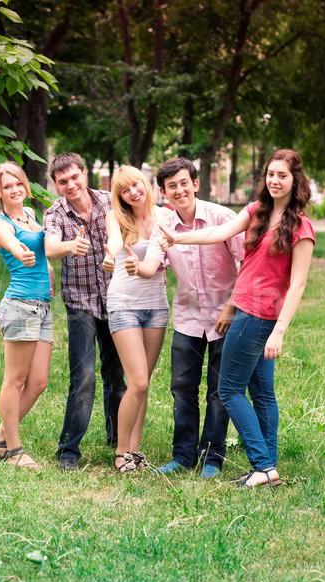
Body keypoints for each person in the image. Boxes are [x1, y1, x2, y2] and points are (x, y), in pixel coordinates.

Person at [159, 149, 315, 489]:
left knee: (229, 390)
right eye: (271, 174)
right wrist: (177, 237)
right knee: (262, 394)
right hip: (245, 308)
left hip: (260, 315)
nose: (275, 180)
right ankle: (268, 467)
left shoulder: (301, 227)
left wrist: (279, 332)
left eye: (282, 175)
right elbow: (217, 234)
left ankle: (261, 464)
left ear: (295, 181)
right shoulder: (255, 212)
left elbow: (298, 283)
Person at [125, 157, 245, 478]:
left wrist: (232, 306)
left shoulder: (223, 218)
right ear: (163, 193)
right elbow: (152, 261)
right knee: (182, 387)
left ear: (195, 184)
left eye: (183, 183)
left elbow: (247, 263)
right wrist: (136, 267)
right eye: (171, 187)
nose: (179, 191)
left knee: (219, 391)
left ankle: (212, 458)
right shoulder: (163, 226)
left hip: (226, 317)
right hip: (188, 318)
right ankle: (183, 456)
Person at [44, 153, 126, 471]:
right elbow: (51, 247)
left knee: (115, 375)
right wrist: (70, 247)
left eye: (74, 177)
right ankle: (68, 451)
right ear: (56, 184)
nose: (71, 185)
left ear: (84, 174)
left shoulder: (109, 200)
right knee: (84, 377)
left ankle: (117, 438)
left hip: (116, 297)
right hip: (80, 302)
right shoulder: (55, 212)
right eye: (63, 181)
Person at [0, 162, 55, 470]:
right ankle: (14, 451)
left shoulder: (30, 216)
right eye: (6, 187)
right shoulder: (1, 223)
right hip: (21, 306)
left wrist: (49, 267)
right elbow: (13, 243)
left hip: (42, 306)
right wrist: (20, 252)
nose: (13, 190)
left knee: (38, 382)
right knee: (15, 380)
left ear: (26, 186)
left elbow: (41, 249)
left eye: (17, 184)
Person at [102, 165, 172, 473]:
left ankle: (134, 450)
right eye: (125, 190)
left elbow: (159, 260)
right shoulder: (116, 217)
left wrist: (141, 265)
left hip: (156, 306)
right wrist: (111, 255)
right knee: (138, 381)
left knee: (143, 384)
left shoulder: (165, 218)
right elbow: (116, 241)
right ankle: (120, 454)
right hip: (124, 304)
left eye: (135, 184)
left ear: (144, 183)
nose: (133, 192)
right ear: (121, 197)